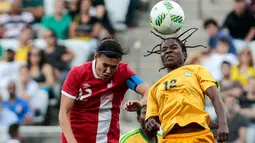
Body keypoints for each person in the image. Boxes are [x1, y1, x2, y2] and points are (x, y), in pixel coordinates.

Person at [144, 28, 229, 143]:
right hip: (169, 139)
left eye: (173, 48)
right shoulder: (154, 88)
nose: (168, 51)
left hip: (199, 136)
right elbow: (151, 121)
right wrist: (150, 124)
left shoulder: (197, 70)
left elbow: (216, 97)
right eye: (164, 50)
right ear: (161, 57)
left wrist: (223, 124)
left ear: (184, 54)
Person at [59, 36, 149, 143]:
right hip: (77, 139)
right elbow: (64, 113)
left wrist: (141, 103)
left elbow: (149, 91)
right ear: (96, 56)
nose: (108, 70)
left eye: (113, 67)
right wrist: (72, 141)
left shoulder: (123, 73)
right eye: (105, 65)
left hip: (108, 139)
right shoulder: (77, 74)